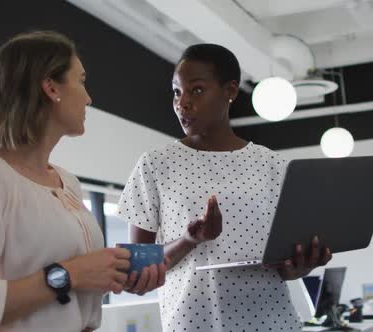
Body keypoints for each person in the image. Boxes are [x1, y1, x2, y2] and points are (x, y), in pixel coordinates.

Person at [117, 43, 332, 331]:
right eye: (177, 92)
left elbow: (284, 266)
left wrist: (300, 266)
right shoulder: (155, 165)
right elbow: (137, 270)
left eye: (196, 90)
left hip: (273, 322)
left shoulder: (272, 165)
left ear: (230, 91)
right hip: (193, 324)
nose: (182, 103)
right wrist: (189, 241)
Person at [0, 31, 132, 332]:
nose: (88, 97)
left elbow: (73, 302)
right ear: (51, 87)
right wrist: (70, 274)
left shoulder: (69, 183)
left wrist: (115, 275)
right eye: (81, 80)